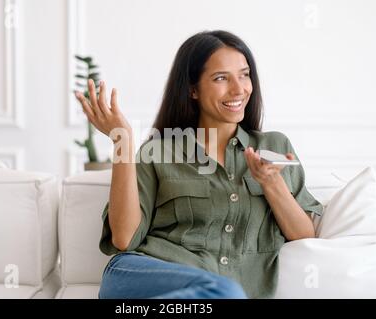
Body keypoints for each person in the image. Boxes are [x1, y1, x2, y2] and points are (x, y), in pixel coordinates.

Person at [74, 30, 323, 299]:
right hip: (141, 275)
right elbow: (124, 239)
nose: (239, 89)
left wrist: (271, 182)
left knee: (223, 293)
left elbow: (303, 234)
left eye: (244, 74)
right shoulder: (159, 150)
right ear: (193, 89)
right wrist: (121, 141)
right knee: (223, 291)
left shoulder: (275, 147)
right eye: (220, 78)